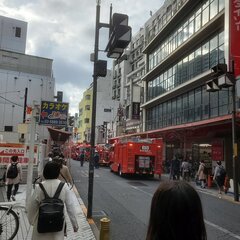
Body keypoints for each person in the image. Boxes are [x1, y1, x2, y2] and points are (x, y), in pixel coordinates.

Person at [27, 161, 78, 239]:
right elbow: (70, 207)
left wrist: (32, 221)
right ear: (58, 173)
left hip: (41, 226)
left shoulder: (39, 187)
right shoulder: (64, 186)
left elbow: (32, 207)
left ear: (45, 173)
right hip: (57, 227)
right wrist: (75, 225)